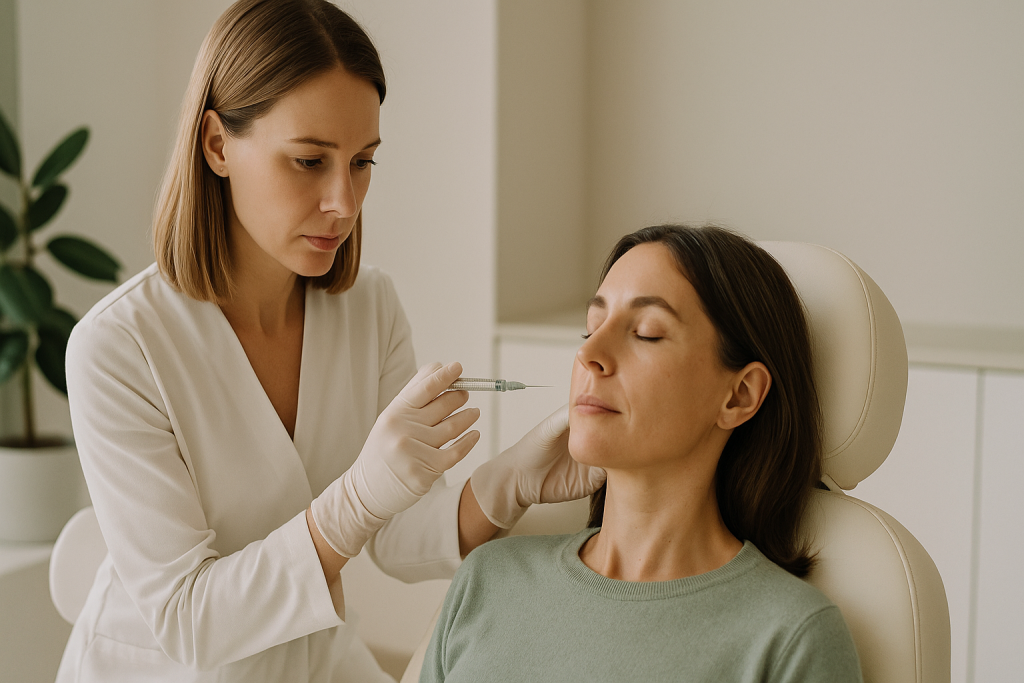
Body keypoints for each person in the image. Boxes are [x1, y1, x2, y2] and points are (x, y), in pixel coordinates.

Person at [56, 2, 603, 682]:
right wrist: (355, 502)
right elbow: (188, 621)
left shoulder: (368, 307)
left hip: (319, 663)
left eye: (363, 161)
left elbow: (403, 538)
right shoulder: (117, 348)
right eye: (309, 160)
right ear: (216, 145)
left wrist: (513, 478)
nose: (344, 200)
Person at [421, 225, 864, 682]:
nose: (589, 352)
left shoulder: (790, 636)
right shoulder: (488, 580)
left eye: (648, 333)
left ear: (739, 395)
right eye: (592, 327)